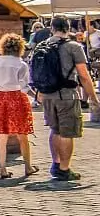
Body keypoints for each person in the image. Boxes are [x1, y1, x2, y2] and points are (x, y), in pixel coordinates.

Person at [35, 17, 98, 181]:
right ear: (68, 28)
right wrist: (93, 98)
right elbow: (84, 76)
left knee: (54, 130)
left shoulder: (42, 46)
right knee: (67, 132)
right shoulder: (74, 47)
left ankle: (56, 164)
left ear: (52, 28)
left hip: (47, 94)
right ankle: (64, 168)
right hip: (67, 94)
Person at [0, 32, 36, 179]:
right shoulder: (21, 64)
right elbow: (24, 87)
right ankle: (28, 167)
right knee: (22, 134)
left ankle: (2, 169)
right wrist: (36, 96)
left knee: (2, 134)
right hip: (17, 99)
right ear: (20, 47)